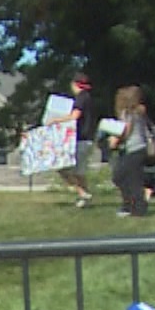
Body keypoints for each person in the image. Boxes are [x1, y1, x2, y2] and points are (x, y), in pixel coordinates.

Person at [107, 84, 150, 218]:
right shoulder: (139, 112)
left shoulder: (128, 113)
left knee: (121, 177)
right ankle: (132, 205)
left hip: (133, 149)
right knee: (130, 178)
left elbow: (126, 132)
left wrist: (114, 141)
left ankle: (135, 207)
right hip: (141, 148)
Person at [58, 72, 97, 208]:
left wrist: (56, 120)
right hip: (86, 139)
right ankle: (84, 197)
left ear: (75, 84)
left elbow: (75, 116)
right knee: (77, 171)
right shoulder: (88, 98)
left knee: (68, 169)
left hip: (81, 139)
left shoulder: (81, 98)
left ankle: (82, 193)